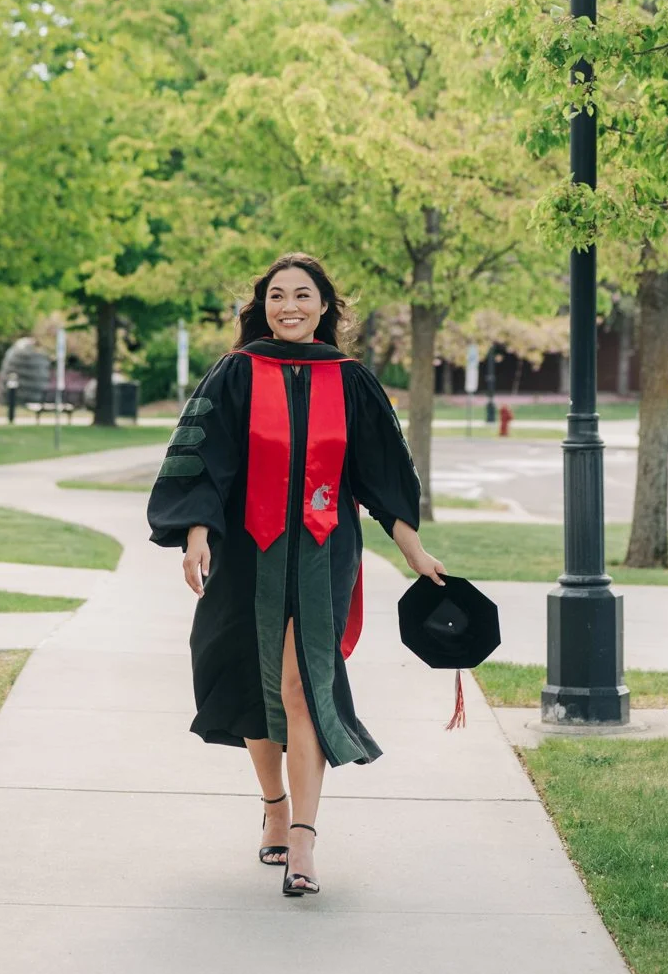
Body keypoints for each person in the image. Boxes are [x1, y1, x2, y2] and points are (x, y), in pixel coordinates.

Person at [147, 253, 445, 900]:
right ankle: (274, 805)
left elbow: (380, 475)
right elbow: (204, 460)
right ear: (262, 305)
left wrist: (412, 549)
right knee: (255, 684)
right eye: (277, 295)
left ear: (323, 306)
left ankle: (303, 838)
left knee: (302, 684)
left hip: (322, 552)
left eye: (302, 295)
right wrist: (195, 533)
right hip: (246, 553)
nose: (289, 305)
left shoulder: (352, 381)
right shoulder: (234, 373)